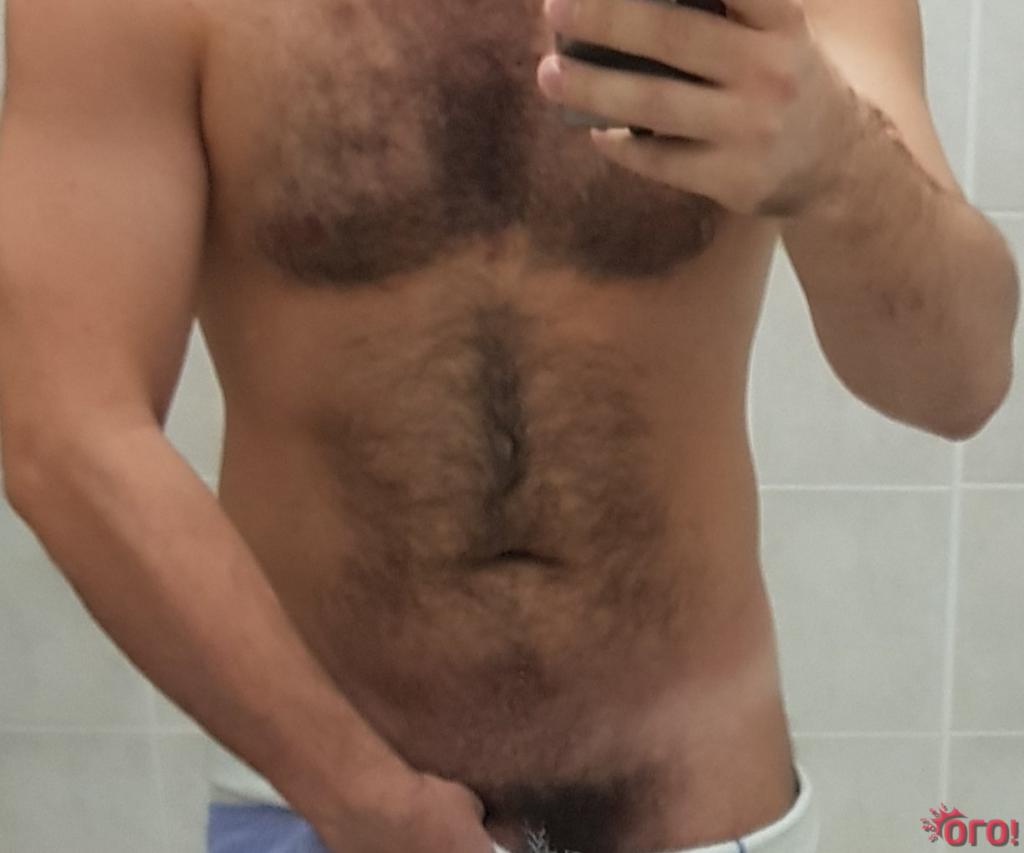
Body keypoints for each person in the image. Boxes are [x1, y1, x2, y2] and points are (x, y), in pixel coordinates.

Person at [0, 0, 1017, 851]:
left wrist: (833, 162)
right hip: (320, 809)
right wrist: (359, 796)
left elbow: (957, 383)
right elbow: (61, 424)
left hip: (703, 805)